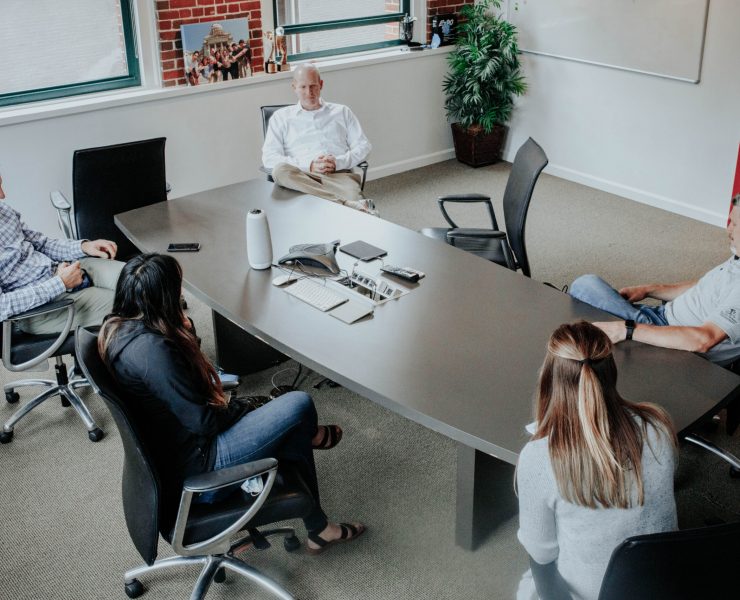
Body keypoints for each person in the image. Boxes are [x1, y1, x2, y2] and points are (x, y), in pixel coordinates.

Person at [98, 253, 365, 554]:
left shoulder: (116, 329)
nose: (182, 294)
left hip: (173, 454)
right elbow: (205, 422)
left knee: (289, 423)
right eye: (177, 288)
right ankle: (317, 503)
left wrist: (186, 333)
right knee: (298, 405)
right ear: (163, 298)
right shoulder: (154, 354)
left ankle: (320, 527)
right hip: (201, 466)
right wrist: (245, 407)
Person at [516, 321, 678, 600]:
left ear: (549, 376)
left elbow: (541, 553)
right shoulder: (658, 428)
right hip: (662, 582)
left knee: (527, 584)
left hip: (591, 593)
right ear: (611, 373)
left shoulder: (540, 458)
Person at [568, 196, 740, 366]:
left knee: (585, 286)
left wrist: (626, 329)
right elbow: (706, 287)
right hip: (661, 315)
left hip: (674, 339)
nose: (728, 229)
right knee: (587, 290)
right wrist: (649, 289)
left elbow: (703, 340)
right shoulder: (737, 256)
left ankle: (631, 341)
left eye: (734, 224)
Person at [0, 173, 122, 334]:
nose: (3, 195)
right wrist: (60, 283)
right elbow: (2, 306)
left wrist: (84, 246)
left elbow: (42, 244)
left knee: (146, 278)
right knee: (136, 304)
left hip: (63, 271)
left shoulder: (4, 211)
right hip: (41, 309)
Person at [261, 63, 376, 215]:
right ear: (294, 87)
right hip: (301, 178)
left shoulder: (342, 112)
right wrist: (309, 166)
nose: (309, 92)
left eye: (313, 86)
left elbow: (364, 147)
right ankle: (347, 204)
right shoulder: (281, 118)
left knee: (360, 218)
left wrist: (337, 162)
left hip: (339, 177)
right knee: (280, 171)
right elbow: (269, 158)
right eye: (303, 87)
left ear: (321, 84)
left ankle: (345, 204)